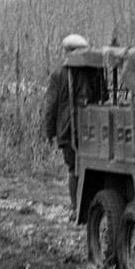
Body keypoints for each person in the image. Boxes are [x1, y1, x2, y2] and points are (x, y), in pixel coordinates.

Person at [42, 33, 89, 179]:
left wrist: (49, 133)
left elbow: (50, 107)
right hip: (90, 129)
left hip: (69, 131)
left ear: (66, 51)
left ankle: (76, 203)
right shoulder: (92, 72)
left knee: (74, 170)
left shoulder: (58, 74)